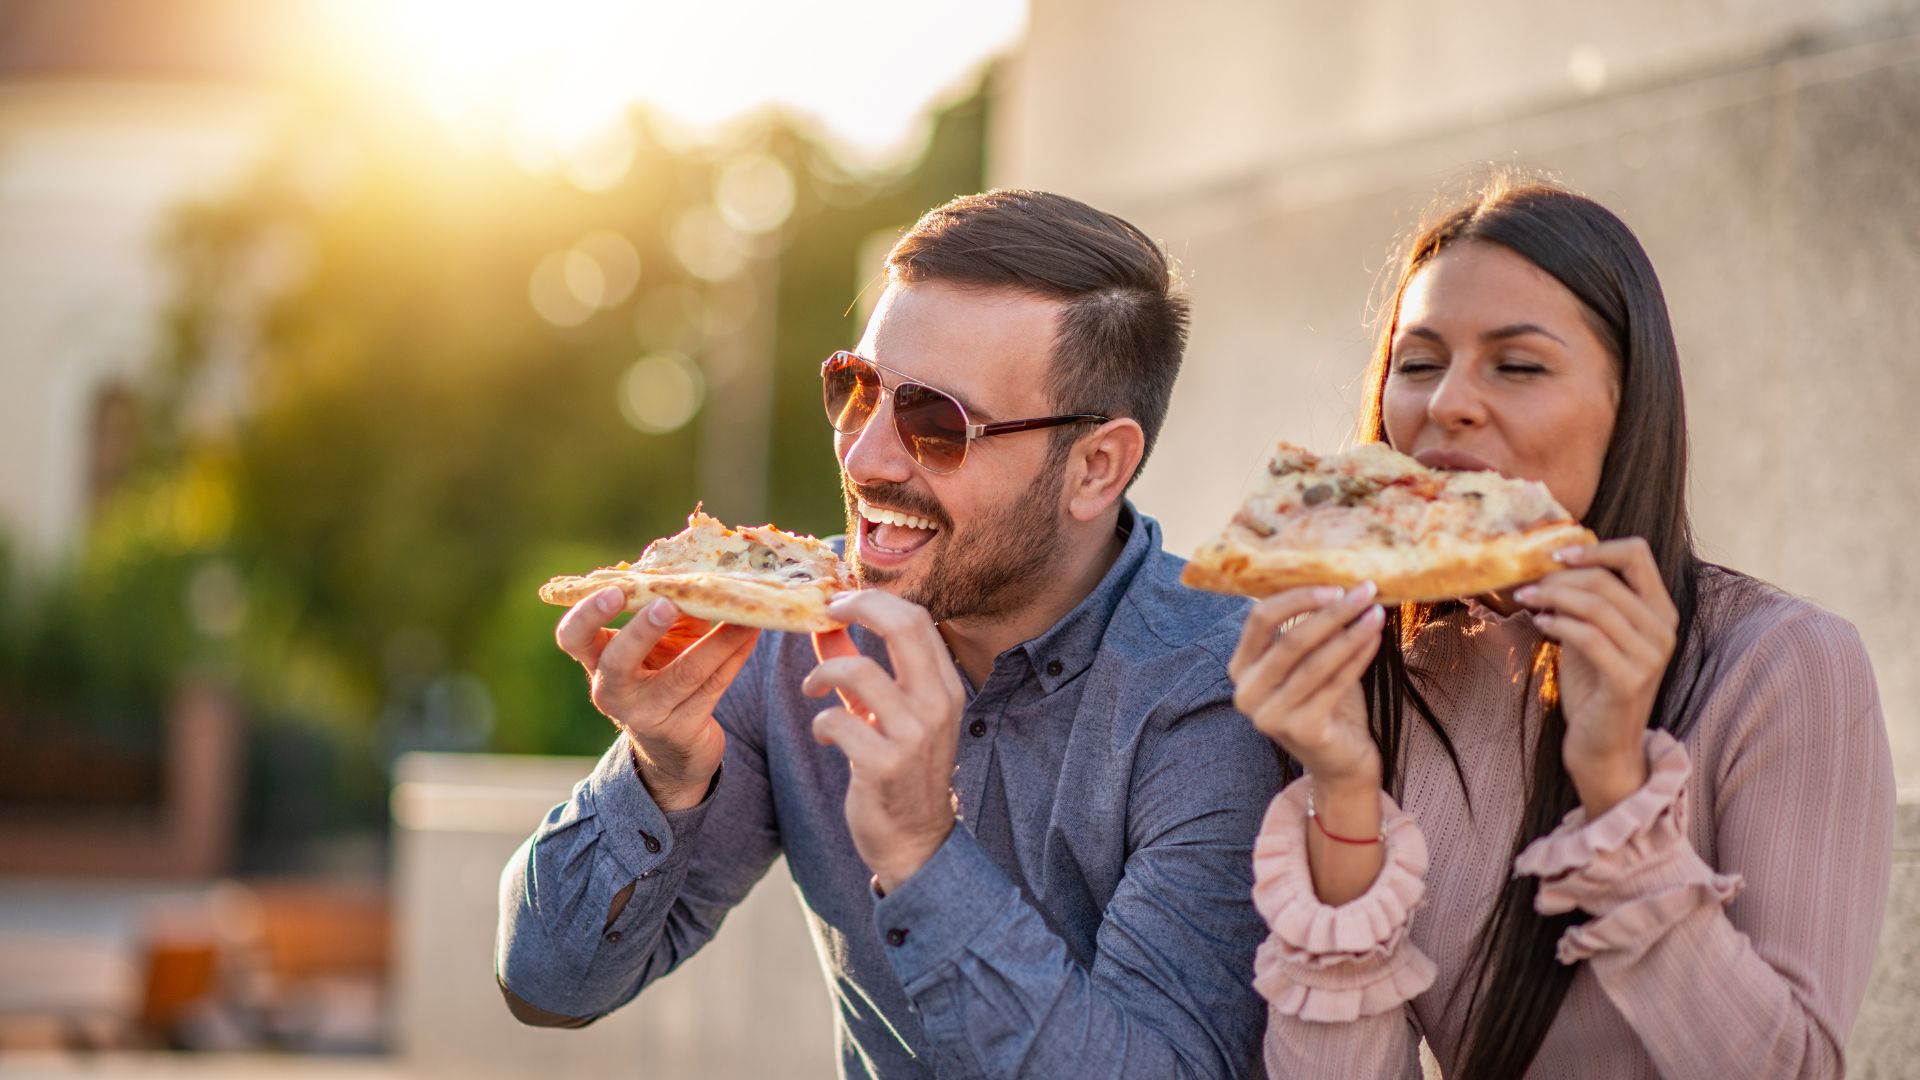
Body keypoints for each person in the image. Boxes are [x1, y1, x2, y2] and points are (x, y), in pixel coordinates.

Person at [496, 189, 1286, 1078]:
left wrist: (922, 851)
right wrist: (659, 769)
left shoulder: (1225, 690)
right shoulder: (790, 632)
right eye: (857, 389)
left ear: (1097, 465)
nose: (866, 457)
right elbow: (546, 986)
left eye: (937, 424)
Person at [1230, 177, 1893, 1078]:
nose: (1448, 404)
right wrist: (1342, 791)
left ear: (1630, 409)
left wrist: (1615, 783)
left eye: (1518, 365)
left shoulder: (1782, 663)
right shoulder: (1385, 676)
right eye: (1419, 363)